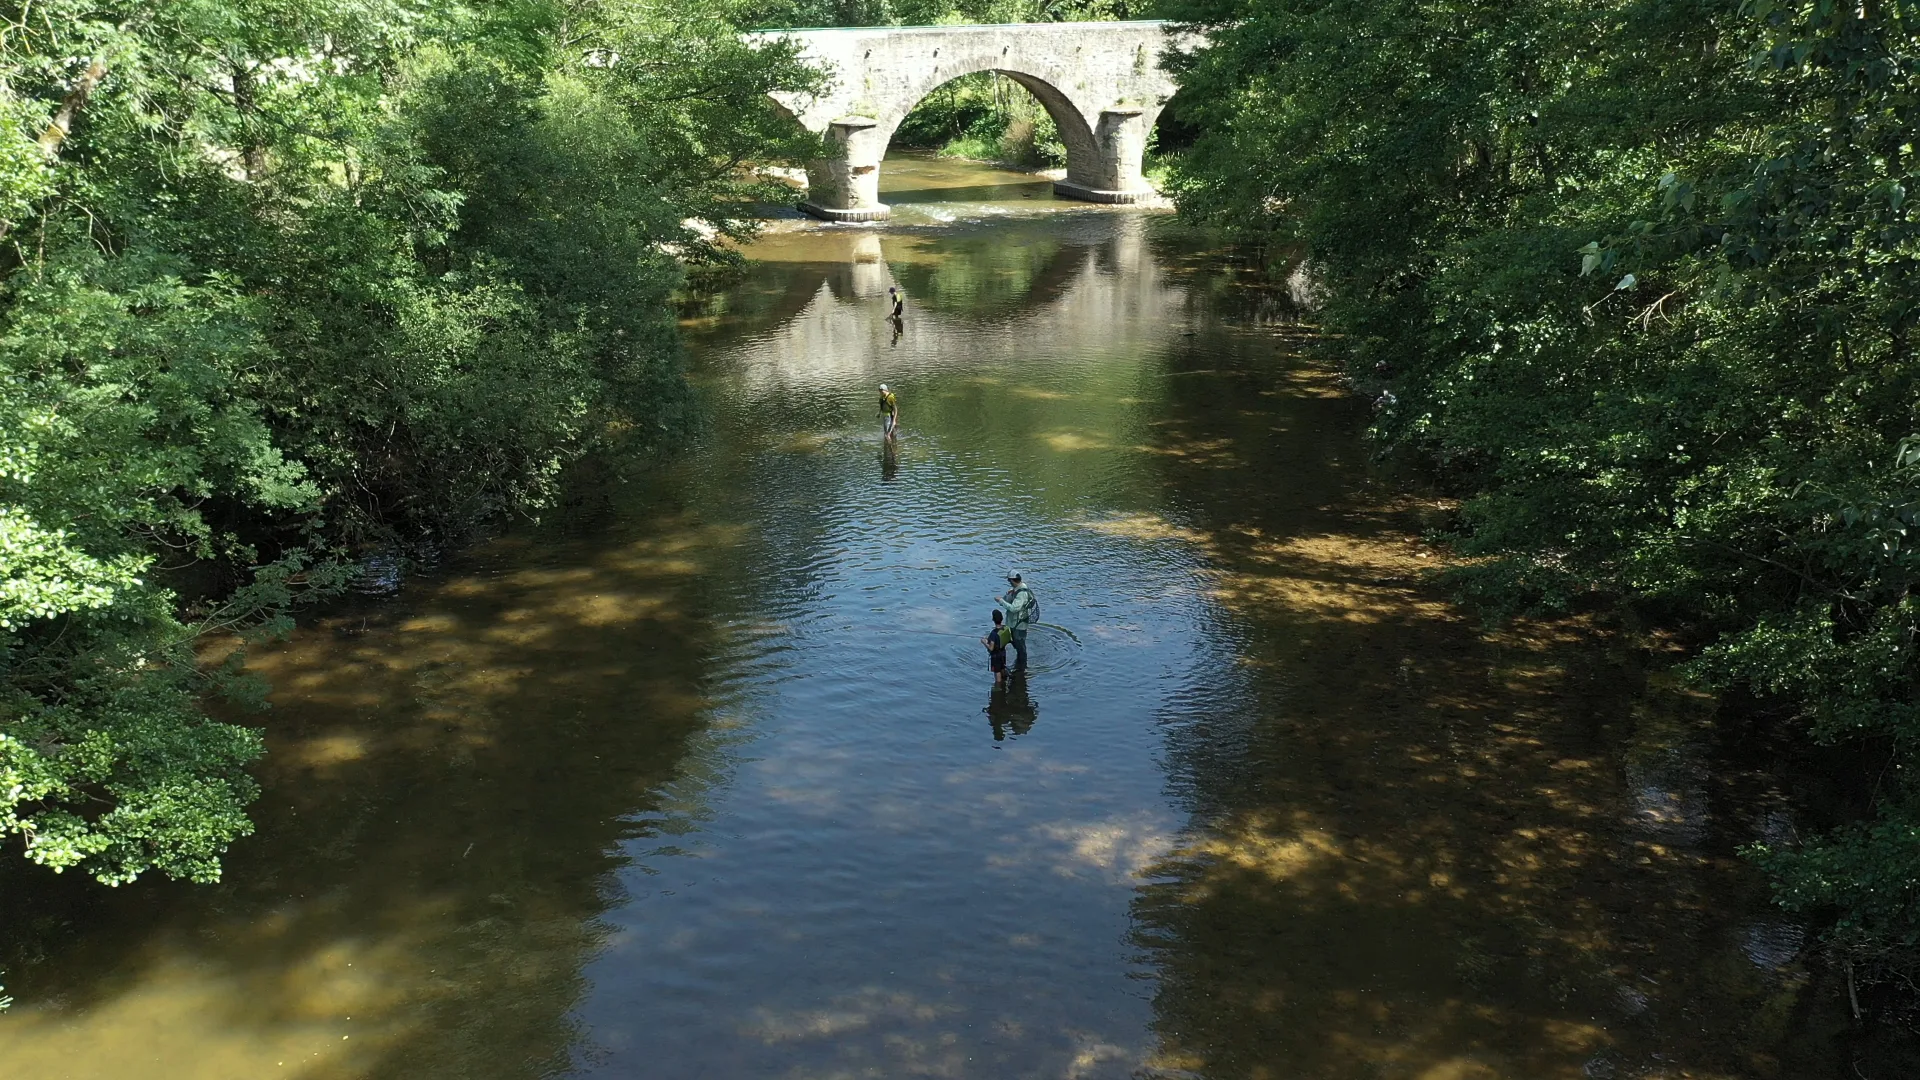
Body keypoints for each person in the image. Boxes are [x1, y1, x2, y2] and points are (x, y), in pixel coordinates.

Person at [998, 570, 1038, 673]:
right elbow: (1009, 601)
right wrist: (1008, 595)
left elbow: (1014, 608)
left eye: (1009, 580)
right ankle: (1018, 667)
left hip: (1019, 626)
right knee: (1015, 644)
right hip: (1013, 624)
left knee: (1020, 648)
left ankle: (1022, 669)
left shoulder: (1022, 593)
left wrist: (1001, 601)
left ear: (1012, 580)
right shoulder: (1016, 589)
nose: (1009, 582)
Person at [982, 609, 1012, 686]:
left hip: (996, 657)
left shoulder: (993, 633)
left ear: (993, 619)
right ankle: (1005, 681)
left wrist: (984, 642)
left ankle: (999, 687)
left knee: (997, 672)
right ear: (1001, 618)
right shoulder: (1005, 628)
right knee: (1002, 668)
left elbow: (991, 648)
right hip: (1003, 653)